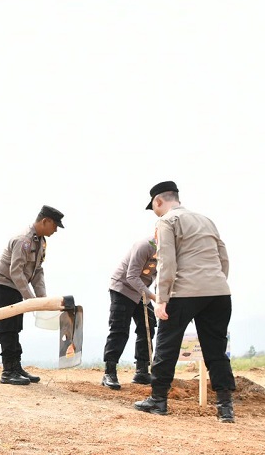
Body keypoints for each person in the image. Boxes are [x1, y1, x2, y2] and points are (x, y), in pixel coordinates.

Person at [134, 181, 236, 423]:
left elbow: (166, 262)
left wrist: (161, 299)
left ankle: (158, 400)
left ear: (158, 201)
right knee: (216, 350)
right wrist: (215, 282)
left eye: (154, 207)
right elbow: (223, 257)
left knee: (167, 346)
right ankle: (225, 408)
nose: (155, 212)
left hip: (184, 293)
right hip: (219, 293)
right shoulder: (206, 219)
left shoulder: (166, 221)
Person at [0, 205, 64, 385]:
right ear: (46, 221)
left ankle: (16, 367)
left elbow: (37, 271)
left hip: (15, 286)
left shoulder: (41, 242)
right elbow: (16, 272)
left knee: (15, 326)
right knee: (6, 326)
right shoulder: (24, 240)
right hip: (2, 284)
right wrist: (30, 300)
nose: (56, 230)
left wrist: (42, 300)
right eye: (55, 225)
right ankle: (7, 371)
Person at [101, 236, 158, 389]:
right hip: (123, 288)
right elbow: (131, 276)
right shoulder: (144, 246)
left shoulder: (169, 249)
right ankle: (109, 372)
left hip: (141, 291)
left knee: (148, 326)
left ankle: (142, 371)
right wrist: (153, 296)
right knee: (120, 328)